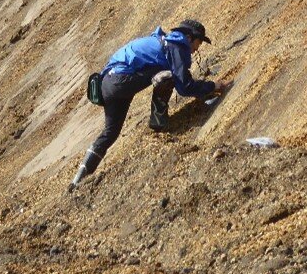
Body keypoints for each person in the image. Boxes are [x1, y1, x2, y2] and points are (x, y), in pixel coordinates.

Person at [70, 19, 231, 189]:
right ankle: (158, 119)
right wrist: (213, 86)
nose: (196, 50)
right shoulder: (178, 45)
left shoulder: (159, 42)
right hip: (122, 81)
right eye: (198, 43)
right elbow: (184, 86)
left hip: (106, 85)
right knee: (167, 76)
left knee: (110, 133)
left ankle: (77, 180)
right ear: (189, 37)